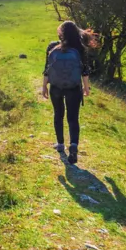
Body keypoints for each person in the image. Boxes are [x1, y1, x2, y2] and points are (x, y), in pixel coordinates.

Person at [41, 20, 96, 164]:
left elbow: (47, 69)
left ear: (61, 33)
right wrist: (86, 88)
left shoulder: (52, 47)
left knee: (58, 114)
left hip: (56, 87)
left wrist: (44, 86)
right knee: (73, 118)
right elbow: (85, 71)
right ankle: (73, 145)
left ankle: (60, 144)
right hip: (73, 88)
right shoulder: (79, 48)